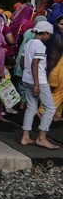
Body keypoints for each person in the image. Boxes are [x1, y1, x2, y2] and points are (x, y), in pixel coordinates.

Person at [20, 21, 59, 149]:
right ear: (45, 33)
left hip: (27, 79)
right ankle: (41, 138)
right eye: (49, 35)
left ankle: (25, 137)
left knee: (31, 107)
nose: (50, 37)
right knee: (50, 108)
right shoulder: (40, 46)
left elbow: (22, 61)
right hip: (39, 81)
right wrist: (37, 84)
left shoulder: (28, 43)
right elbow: (35, 64)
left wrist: (26, 75)